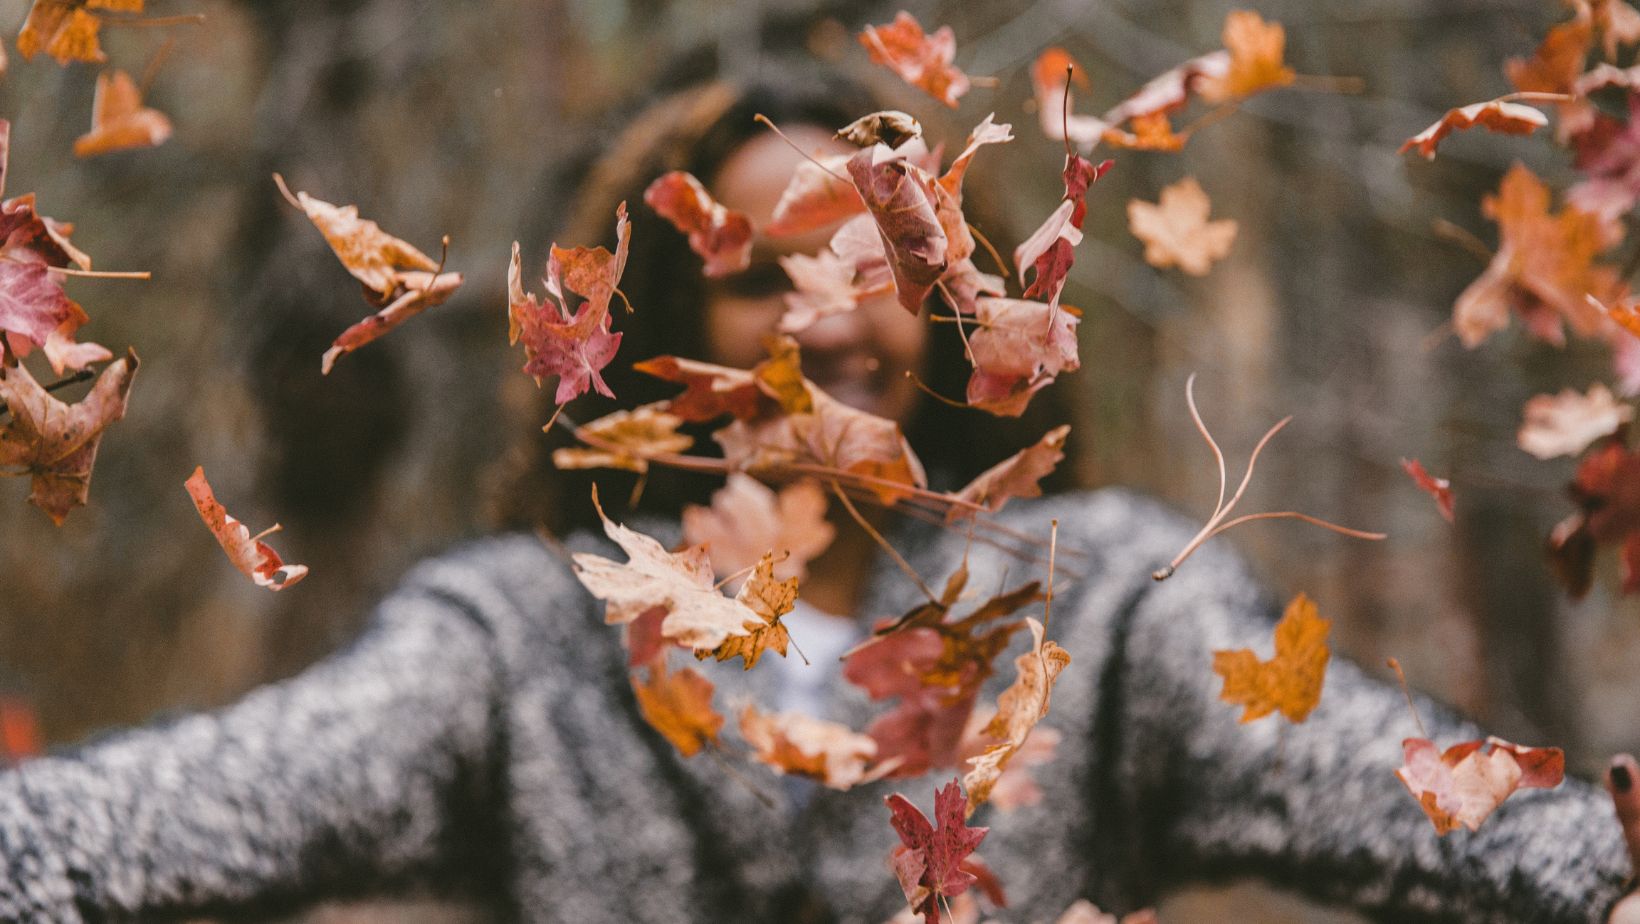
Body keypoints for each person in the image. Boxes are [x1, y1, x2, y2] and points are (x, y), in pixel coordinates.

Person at [0, 54, 1632, 924]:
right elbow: (175, 811)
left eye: (872, 260)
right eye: (753, 278)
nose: (823, 314)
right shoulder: (522, 644)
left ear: (940, 305)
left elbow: (1412, 797)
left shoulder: (1095, 609)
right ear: (659, 335)